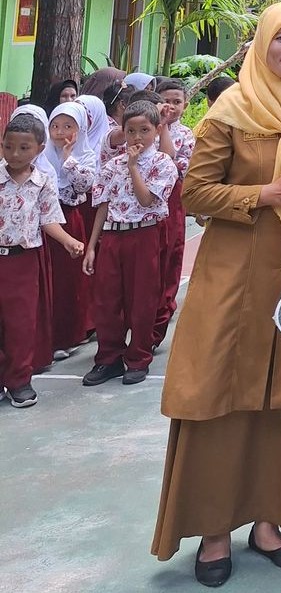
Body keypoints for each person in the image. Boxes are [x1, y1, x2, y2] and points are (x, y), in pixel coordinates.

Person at [151, 2, 281, 587]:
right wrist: (266, 194)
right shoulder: (230, 109)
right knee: (222, 397)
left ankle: (268, 524)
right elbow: (196, 193)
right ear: (262, 44)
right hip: (233, 280)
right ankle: (214, 533)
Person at [81, 101, 177, 387]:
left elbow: (146, 200)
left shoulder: (162, 163)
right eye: (131, 130)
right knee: (107, 299)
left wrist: (134, 166)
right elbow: (102, 205)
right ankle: (109, 358)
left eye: (144, 130)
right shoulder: (112, 166)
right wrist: (92, 246)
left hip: (144, 235)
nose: (137, 137)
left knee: (142, 299)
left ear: (157, 130)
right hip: (112, 235)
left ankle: (138, 358)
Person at [0, 114, 85, 407]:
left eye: (23, 148)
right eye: (8, 146)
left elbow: (48, 220)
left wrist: (69, 241)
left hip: (23, 262)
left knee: (21, 324)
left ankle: (19, 381)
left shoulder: (42, 183)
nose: (14, 154)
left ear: (39, 148)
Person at [44, 102, 95, 356]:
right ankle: (48, 337)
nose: (60, 132)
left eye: (68, 126)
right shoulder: (41, 154)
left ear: (80, 129)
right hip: (45, 225)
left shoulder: (85, 155)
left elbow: (84, 185)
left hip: (70, 220)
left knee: (69, 280)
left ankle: (68, 335)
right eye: (55, 126)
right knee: (49, 280)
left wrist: (67, 158)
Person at [150, 79, 195, 350]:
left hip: (172, 199)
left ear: (185, 105)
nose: (171, 106)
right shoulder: (145, 128)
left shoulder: (186, 134)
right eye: (166, 101)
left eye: (177, 102)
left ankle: (160, 319)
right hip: (144, 203)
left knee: (171, 255)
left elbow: (180, 165)